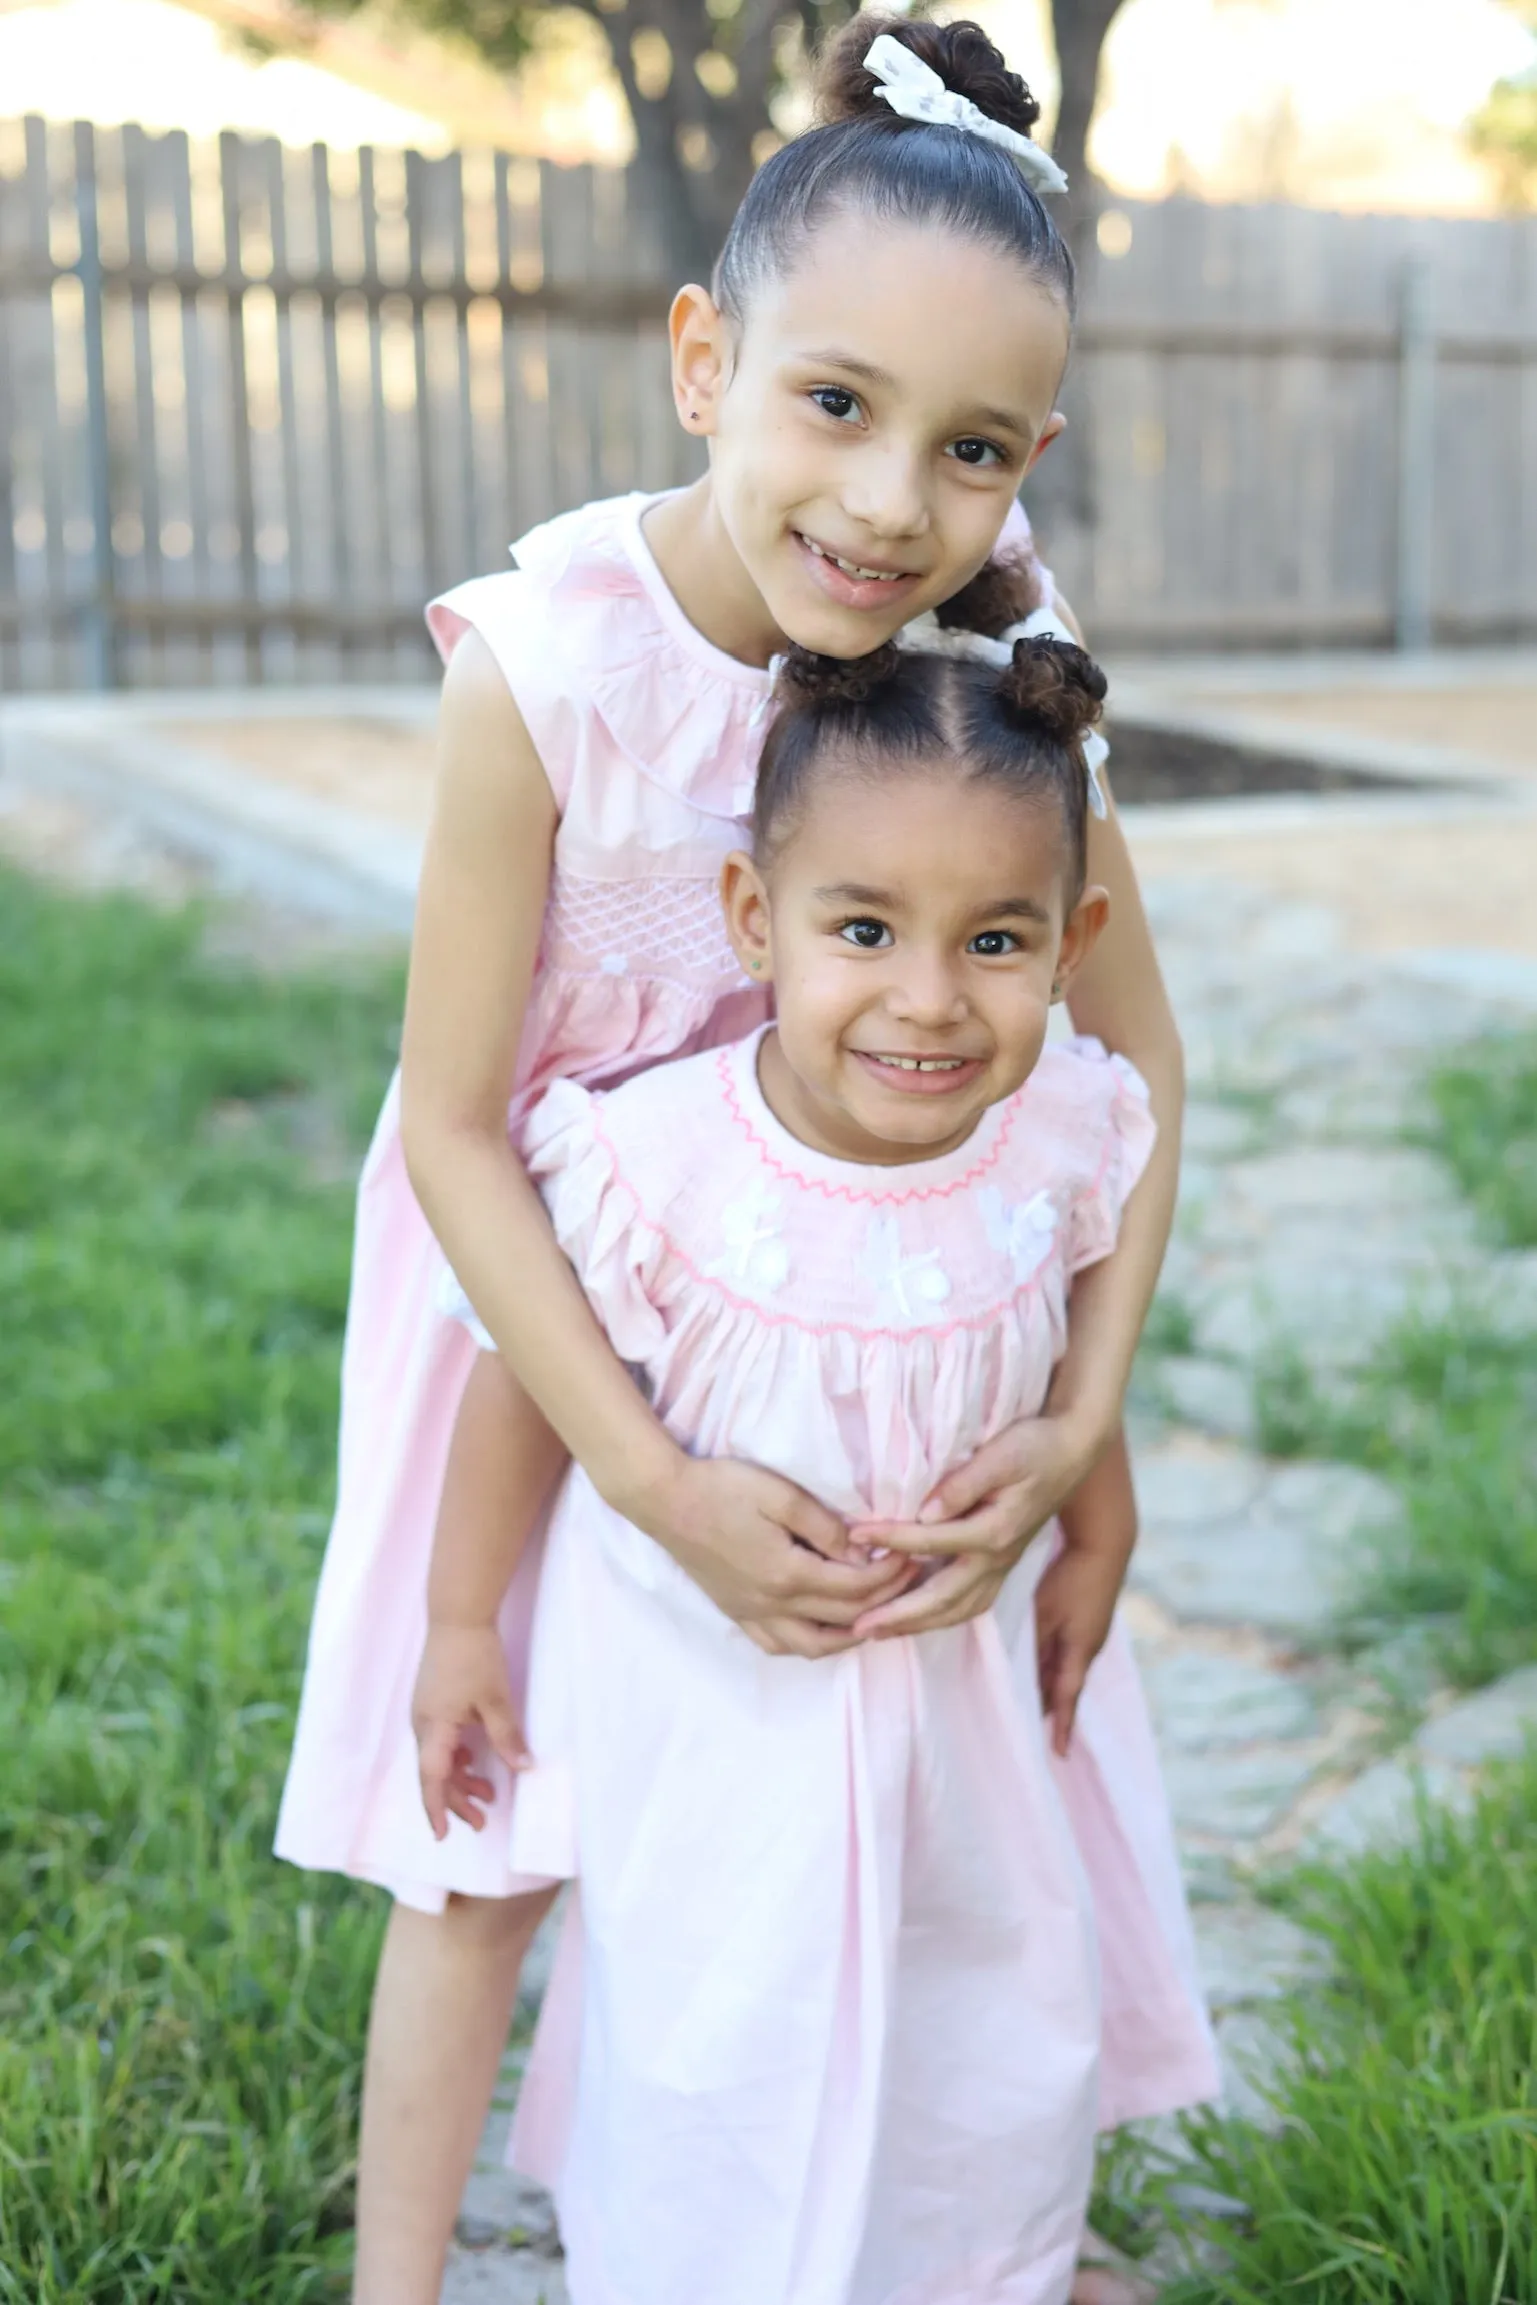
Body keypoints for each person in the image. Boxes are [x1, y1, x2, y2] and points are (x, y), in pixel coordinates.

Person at [274, 16, 1190, 2303]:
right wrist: (651, 1482)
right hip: (554, 1306)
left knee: (898, 1773)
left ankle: (909, 2217)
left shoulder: (994, 670)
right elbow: (465, 1126)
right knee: (492, 1815)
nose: (889, 504)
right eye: (837, 404)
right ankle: (401, 2276)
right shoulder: (553, 664)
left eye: (969, 451)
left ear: (1030, 467)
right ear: (707, 358)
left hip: (887, 1283)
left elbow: (1132, 1064)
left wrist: (1085, 1424)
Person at [432, 627, 1216, 2305]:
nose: (930, 998)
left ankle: (985, 2267)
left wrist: (1100, 1511)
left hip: (962, 1711)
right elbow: (522, 1392)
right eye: (863, 930)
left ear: (1074, 945)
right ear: (752, 924)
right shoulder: (652, 1160)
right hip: (720, 1723)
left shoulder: (1064, 1127)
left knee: (985, 1995)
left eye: (995, 940)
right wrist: (450, 1632)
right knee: (723, 2023)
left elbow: (1054, 1326)